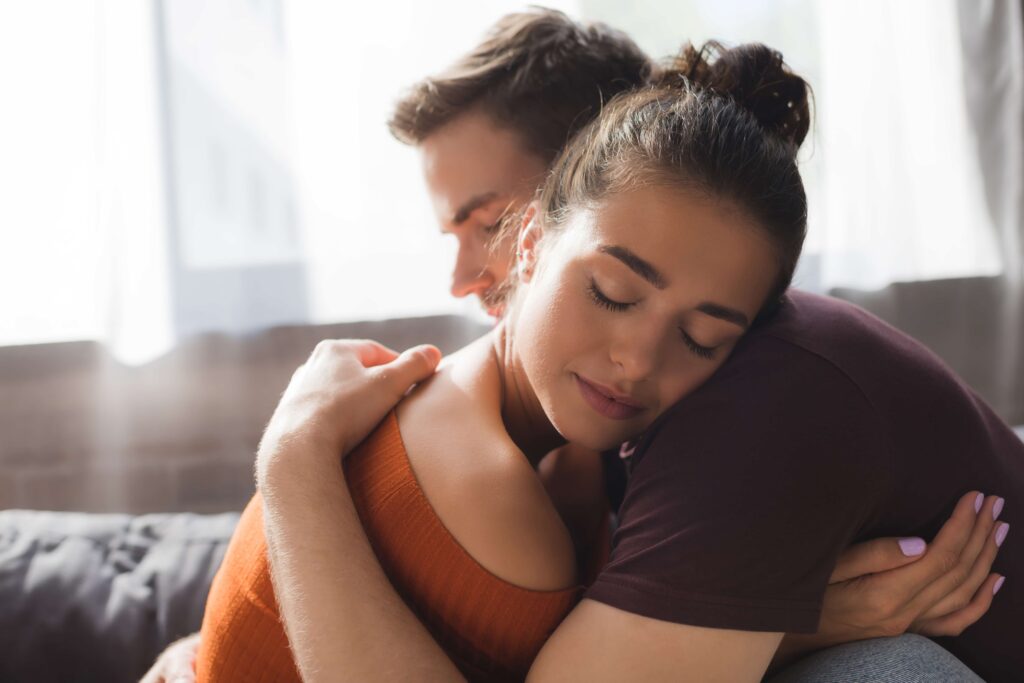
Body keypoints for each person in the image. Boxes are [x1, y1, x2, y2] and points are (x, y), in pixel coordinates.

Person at [142, 10, 1005, 682]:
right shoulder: (504, 446)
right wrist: (290, 466)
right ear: (542, 236)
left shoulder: (726, 414)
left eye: (703, 336)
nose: (637, 358)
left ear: (541, 207)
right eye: (612, 293)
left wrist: (768, 622)